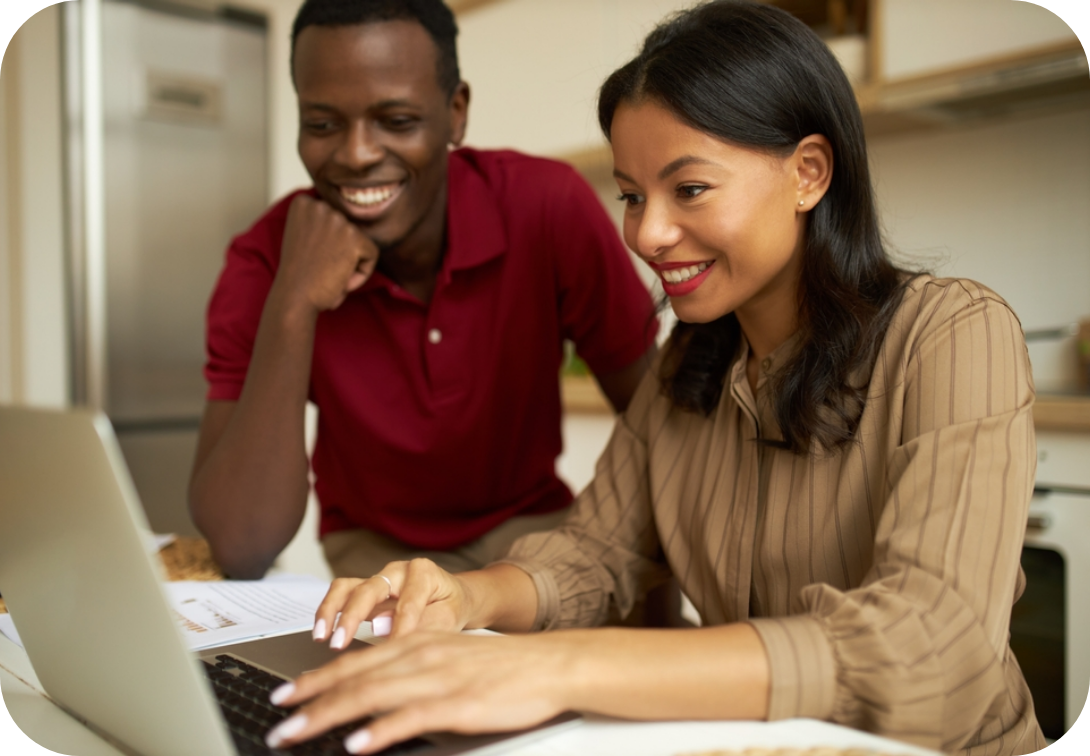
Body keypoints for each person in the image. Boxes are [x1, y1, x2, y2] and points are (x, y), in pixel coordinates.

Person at [259, 2, 1046, 755]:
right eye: (633, 196)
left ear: (808, 173)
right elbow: (593, 555)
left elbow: (931, 644)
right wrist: (465, 597)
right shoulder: (689, 366)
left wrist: (552, 668)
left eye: (690, 189)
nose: (649, 233)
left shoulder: (951, 334)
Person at [189, 0, 658, 583]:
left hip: (534, 531)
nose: (357, 154)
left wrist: (649, 600)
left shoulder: (546, 206)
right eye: (322, 124)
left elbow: (657, 428)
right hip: (373, 552)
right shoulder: (263, 260)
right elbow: (240, 545)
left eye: (397, 121)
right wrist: (294, 300)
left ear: (455, 113)